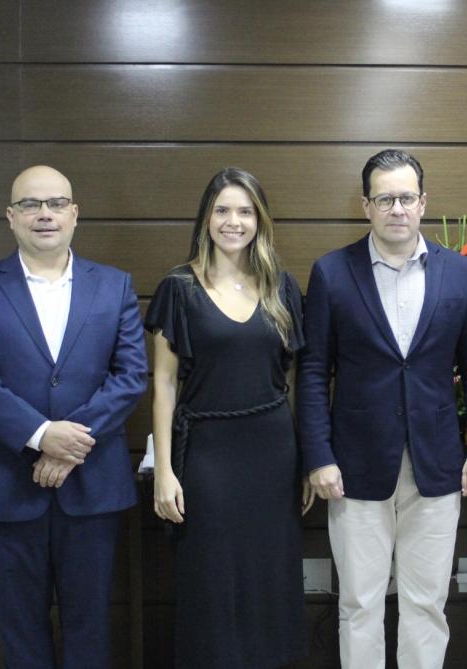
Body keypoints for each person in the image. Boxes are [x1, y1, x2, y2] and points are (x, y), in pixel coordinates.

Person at [297, 149, 467, 669]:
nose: (397, 209)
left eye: (407, 197)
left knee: (426, 604)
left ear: (423, 202)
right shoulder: (332, 272)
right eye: (385, 199)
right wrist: (318, 457)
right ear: (366, 206)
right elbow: (314, 372)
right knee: (359, 603)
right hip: (354, 467)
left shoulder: (457, 273)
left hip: (437, 464)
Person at [0, 165, 148, 668]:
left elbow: (130, 377)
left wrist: (69, 444)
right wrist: (40, 435)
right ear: (11, 216)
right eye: (31, 204)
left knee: (90, 626)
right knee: (20, 629)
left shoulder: (114, 286)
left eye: (56, 203)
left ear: (74, 214)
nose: (44, 214)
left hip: (93, 488)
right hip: (4, 488)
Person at [146, 167, 309, 668]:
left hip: (274, 453)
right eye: (222, 210)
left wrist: (306, 461)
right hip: (208, 454)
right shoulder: (178, 288)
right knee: (212, 579)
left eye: (244, 211)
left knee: (270, 578)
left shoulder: (281, 287)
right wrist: (165, 471)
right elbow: (163, 384)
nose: (233, 221)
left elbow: (294, 380)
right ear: (206, 218)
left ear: (260, 220)